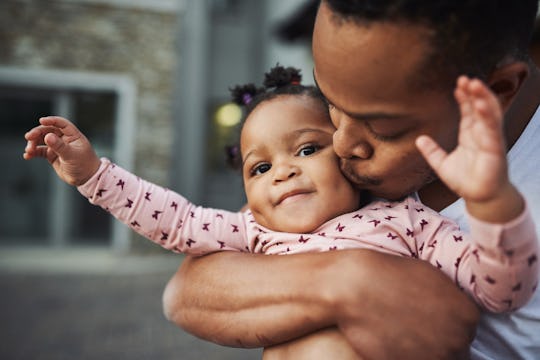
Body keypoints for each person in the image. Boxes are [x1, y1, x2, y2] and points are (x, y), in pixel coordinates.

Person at [24, 64, 538, 357]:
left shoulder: (408, 219)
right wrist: (93, 174)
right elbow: (175, 219)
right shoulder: (250, 232)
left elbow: (501, 290)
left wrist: (494, 204)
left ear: (348, 155)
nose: (284, 173)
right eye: (259, 168)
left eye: (308, 149)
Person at [161, 1, 540, 359]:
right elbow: (188, 292)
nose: (341, 144)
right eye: (329, 102)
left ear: (498, 90)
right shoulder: (340, 159)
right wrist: (351, 280)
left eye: (381, 126)